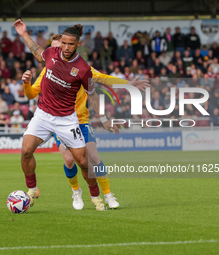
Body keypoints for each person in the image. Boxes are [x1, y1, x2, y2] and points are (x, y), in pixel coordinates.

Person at [23, 34, 149, 210]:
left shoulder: (82, 69)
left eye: (64, 46)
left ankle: (108, 195)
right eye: (58, 47)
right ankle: (76, 192)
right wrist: (26, 84)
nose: (61, 51)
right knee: (68, 160)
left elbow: (102, 81)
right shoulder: (46, 72)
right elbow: (30, 94)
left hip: (80, 120)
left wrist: (127, 85)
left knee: (93, 158)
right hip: (57, 120)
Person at [14, 20, 108, 210]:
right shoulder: (51, 54)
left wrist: (105, 119)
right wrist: (23, 33)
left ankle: (95, 196)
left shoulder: (83, 68)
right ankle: (32, 190)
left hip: (66, 119)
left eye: (70, 44)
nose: (65, 47)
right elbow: (36, 51)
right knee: (25, 151)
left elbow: (93, 94)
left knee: (82, 161)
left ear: (78, 44)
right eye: (63, 43)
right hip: (43, 114)